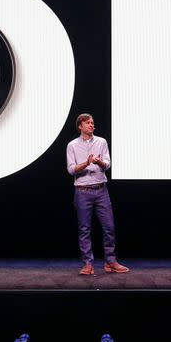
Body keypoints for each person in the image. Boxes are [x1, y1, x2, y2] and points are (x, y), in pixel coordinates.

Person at [66, 113, 129, 275]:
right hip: (82, 191)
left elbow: (107, 164)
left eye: (92, 122)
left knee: (109, 227)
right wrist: (86, 163)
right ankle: (88, 264)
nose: (91, 125)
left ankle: (110, 261)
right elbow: (71, 169)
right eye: (88, 123)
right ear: (80, 126)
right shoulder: (72, 145)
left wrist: (99, 162)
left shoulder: (101, 142)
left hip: (101, 190)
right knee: (84, 229)